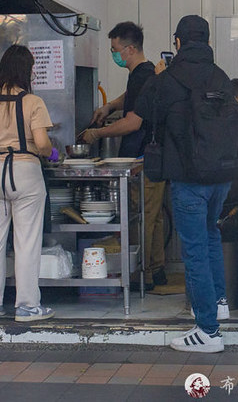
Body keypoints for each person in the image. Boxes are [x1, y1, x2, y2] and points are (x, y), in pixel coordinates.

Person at [133, 14, 238, 353]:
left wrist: (158, 77)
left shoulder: (169, 78)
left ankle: (208, 331)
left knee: (194, 251)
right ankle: (218, 303)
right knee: (210, 236)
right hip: (220, 177)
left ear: (178, 42)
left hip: (188, 178)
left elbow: (143, 113)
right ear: (207, 41)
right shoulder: (220, 76)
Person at [82, 21, 166, 289]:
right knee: (153, 215)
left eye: (114, 50)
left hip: (143, 158)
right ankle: (157, 271)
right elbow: (131, 96)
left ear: (129, 49)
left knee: (143, 217)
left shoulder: (143, 75)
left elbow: (132, 122)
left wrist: (97, 133)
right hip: (150, 158)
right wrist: (109, 106)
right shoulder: (144, 73)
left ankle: (143, 276)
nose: (113, 54)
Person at [0, 44, 55, 322]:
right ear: (26, 70)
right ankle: (27, 306)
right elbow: (42, 144)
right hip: (24, 172)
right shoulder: (32, 102)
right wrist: (51, 152)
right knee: (26, 241)